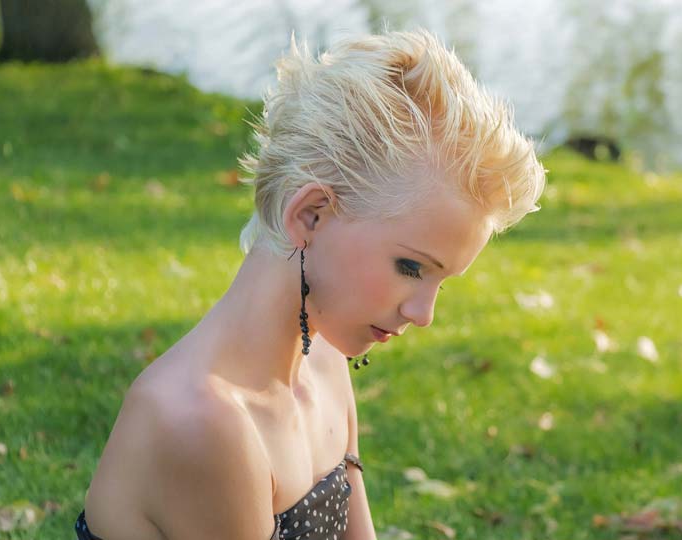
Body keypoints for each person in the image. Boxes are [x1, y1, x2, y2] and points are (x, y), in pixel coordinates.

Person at [74, 27, 545, 540]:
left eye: (442, 281)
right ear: (311, 215)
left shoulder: (323, 362)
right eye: (411, 268)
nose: (424, 314)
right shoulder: (202, 421)